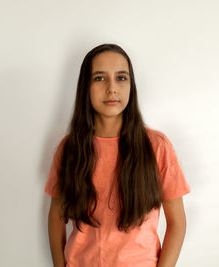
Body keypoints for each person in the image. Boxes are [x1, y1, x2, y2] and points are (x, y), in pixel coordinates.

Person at [44, 43, 191, 267]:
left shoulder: (156, 146)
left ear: (131, 85)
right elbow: (56, 216)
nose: (112, 88)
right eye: (100, 78)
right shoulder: (69, 148)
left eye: (121, 78)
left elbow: (178, 222)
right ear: (86, 87)